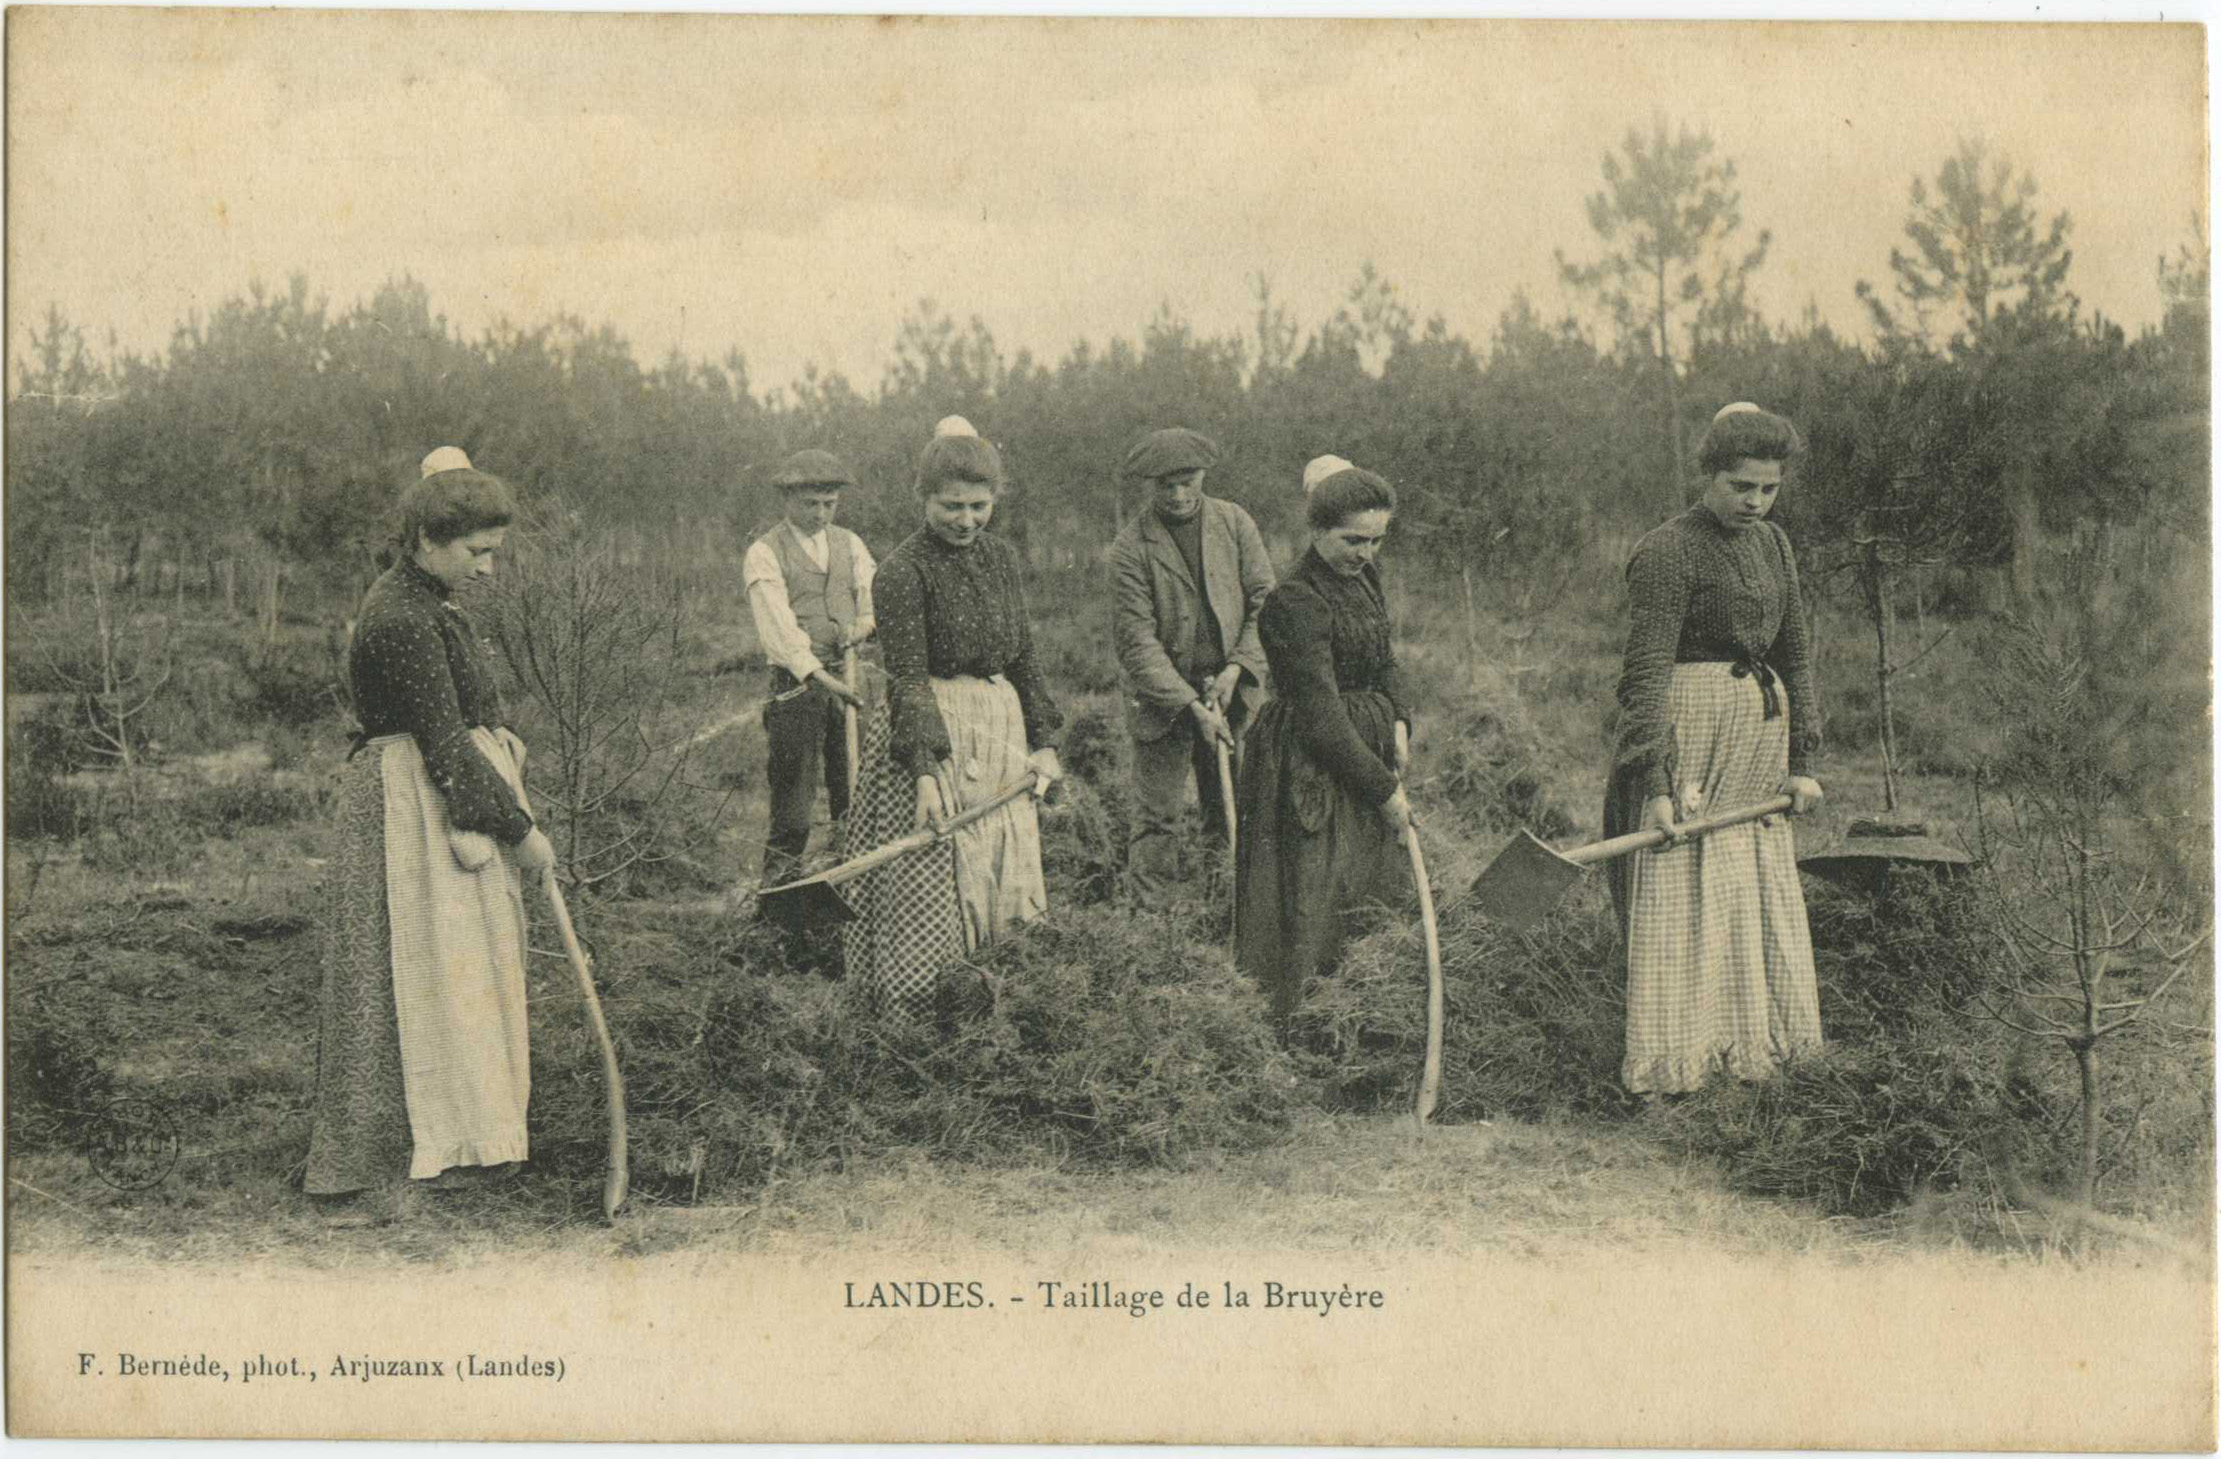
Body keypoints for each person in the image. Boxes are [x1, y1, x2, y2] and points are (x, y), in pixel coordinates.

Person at [305, 447, 556, 1219]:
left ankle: (455, 1138)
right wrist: (520, 830)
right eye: (477, 552)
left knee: (448, 973)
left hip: (434, 798)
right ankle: (387, 1157)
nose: (486, 569)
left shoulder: (430, 603)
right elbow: (445, 745)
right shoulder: (400, 618)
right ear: (427, 540)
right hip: (409, 810)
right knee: (406, 973)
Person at [1603, 402, 1826, 1097]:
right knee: (1686, 887)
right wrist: (1658, 783)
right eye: (1740, 487)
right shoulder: (1668, 550)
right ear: (1709, 476)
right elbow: (1643, 675)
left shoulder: (1773, 546)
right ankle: (1680, 1067)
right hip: (1690, 738)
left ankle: (1754, 1050)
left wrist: (1804, 760)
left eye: (1768, 488)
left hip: (1757, 743)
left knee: (1747, 879)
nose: (1754, 502)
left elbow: (1794, 653)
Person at [838, 417, 1063, 1016]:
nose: (966, 520)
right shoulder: (900, 572)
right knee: (936, 864)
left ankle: (1005, 993)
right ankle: (937, 1006)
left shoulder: (1002, 559)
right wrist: (924, 771)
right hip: (932, 729)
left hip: (1000, 723)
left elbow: (1023, 654)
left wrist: (1043, 742)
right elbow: (906, 678)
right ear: (923, 498)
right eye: (951, 506)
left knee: (1003, 856)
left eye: (979, 506)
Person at [1234, 456, 1414, 1024]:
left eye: (1377, 541)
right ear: (1316, 530)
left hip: (1363, 753)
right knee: (1313, 893)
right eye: (1352, 540)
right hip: (1310, 764)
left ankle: (1360, 1014)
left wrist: (1401, 723)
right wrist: (1384, 791)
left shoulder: (1364, 578)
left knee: (1364, 885)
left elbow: (1384, 658)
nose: (1365, 554)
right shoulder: (1294, 601)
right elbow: (1320, 714)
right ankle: (1302, 1024)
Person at [1107, 426, 1275, 901]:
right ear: (1148, 485)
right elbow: (1137, 643)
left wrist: (1238, 667)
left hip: (1233, 690)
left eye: (1188, 480)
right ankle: (1153, 922)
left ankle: (1232, 898)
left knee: (1235, 803)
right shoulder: (1129, 549)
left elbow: (1266, 602)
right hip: (1162, 703)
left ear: (1204, 474)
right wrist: (1189, 705)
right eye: (1165, 485)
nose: (1179, 495)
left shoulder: (1235, 523)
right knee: (1157, 816)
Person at [743, 449, 876, 890]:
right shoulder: (764, 553)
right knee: (794, 809)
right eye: (810, 504)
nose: (821, 513)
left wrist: (864, 624)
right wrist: (817, 674)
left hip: (852, 685)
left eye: (829, 503)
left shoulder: (850, 544)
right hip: (797, 690)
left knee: (855, 797)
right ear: (787, 500)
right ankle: (778, 904)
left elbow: (872, 598)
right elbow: (778, 630)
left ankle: (852, 889)